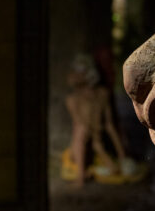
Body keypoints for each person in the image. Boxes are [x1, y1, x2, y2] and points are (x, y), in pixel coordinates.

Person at [61, 53, 144, 186]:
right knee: (81, 130)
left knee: (117, 165)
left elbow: (109, 125)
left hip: (96, 143)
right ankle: (81, 176)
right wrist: (100, 150)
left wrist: (121, 154)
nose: (72, 77)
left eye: (78, 72)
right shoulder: (73, 100)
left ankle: (87, 171)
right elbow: (81, 127)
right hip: (81, 147)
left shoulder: (102, 94)